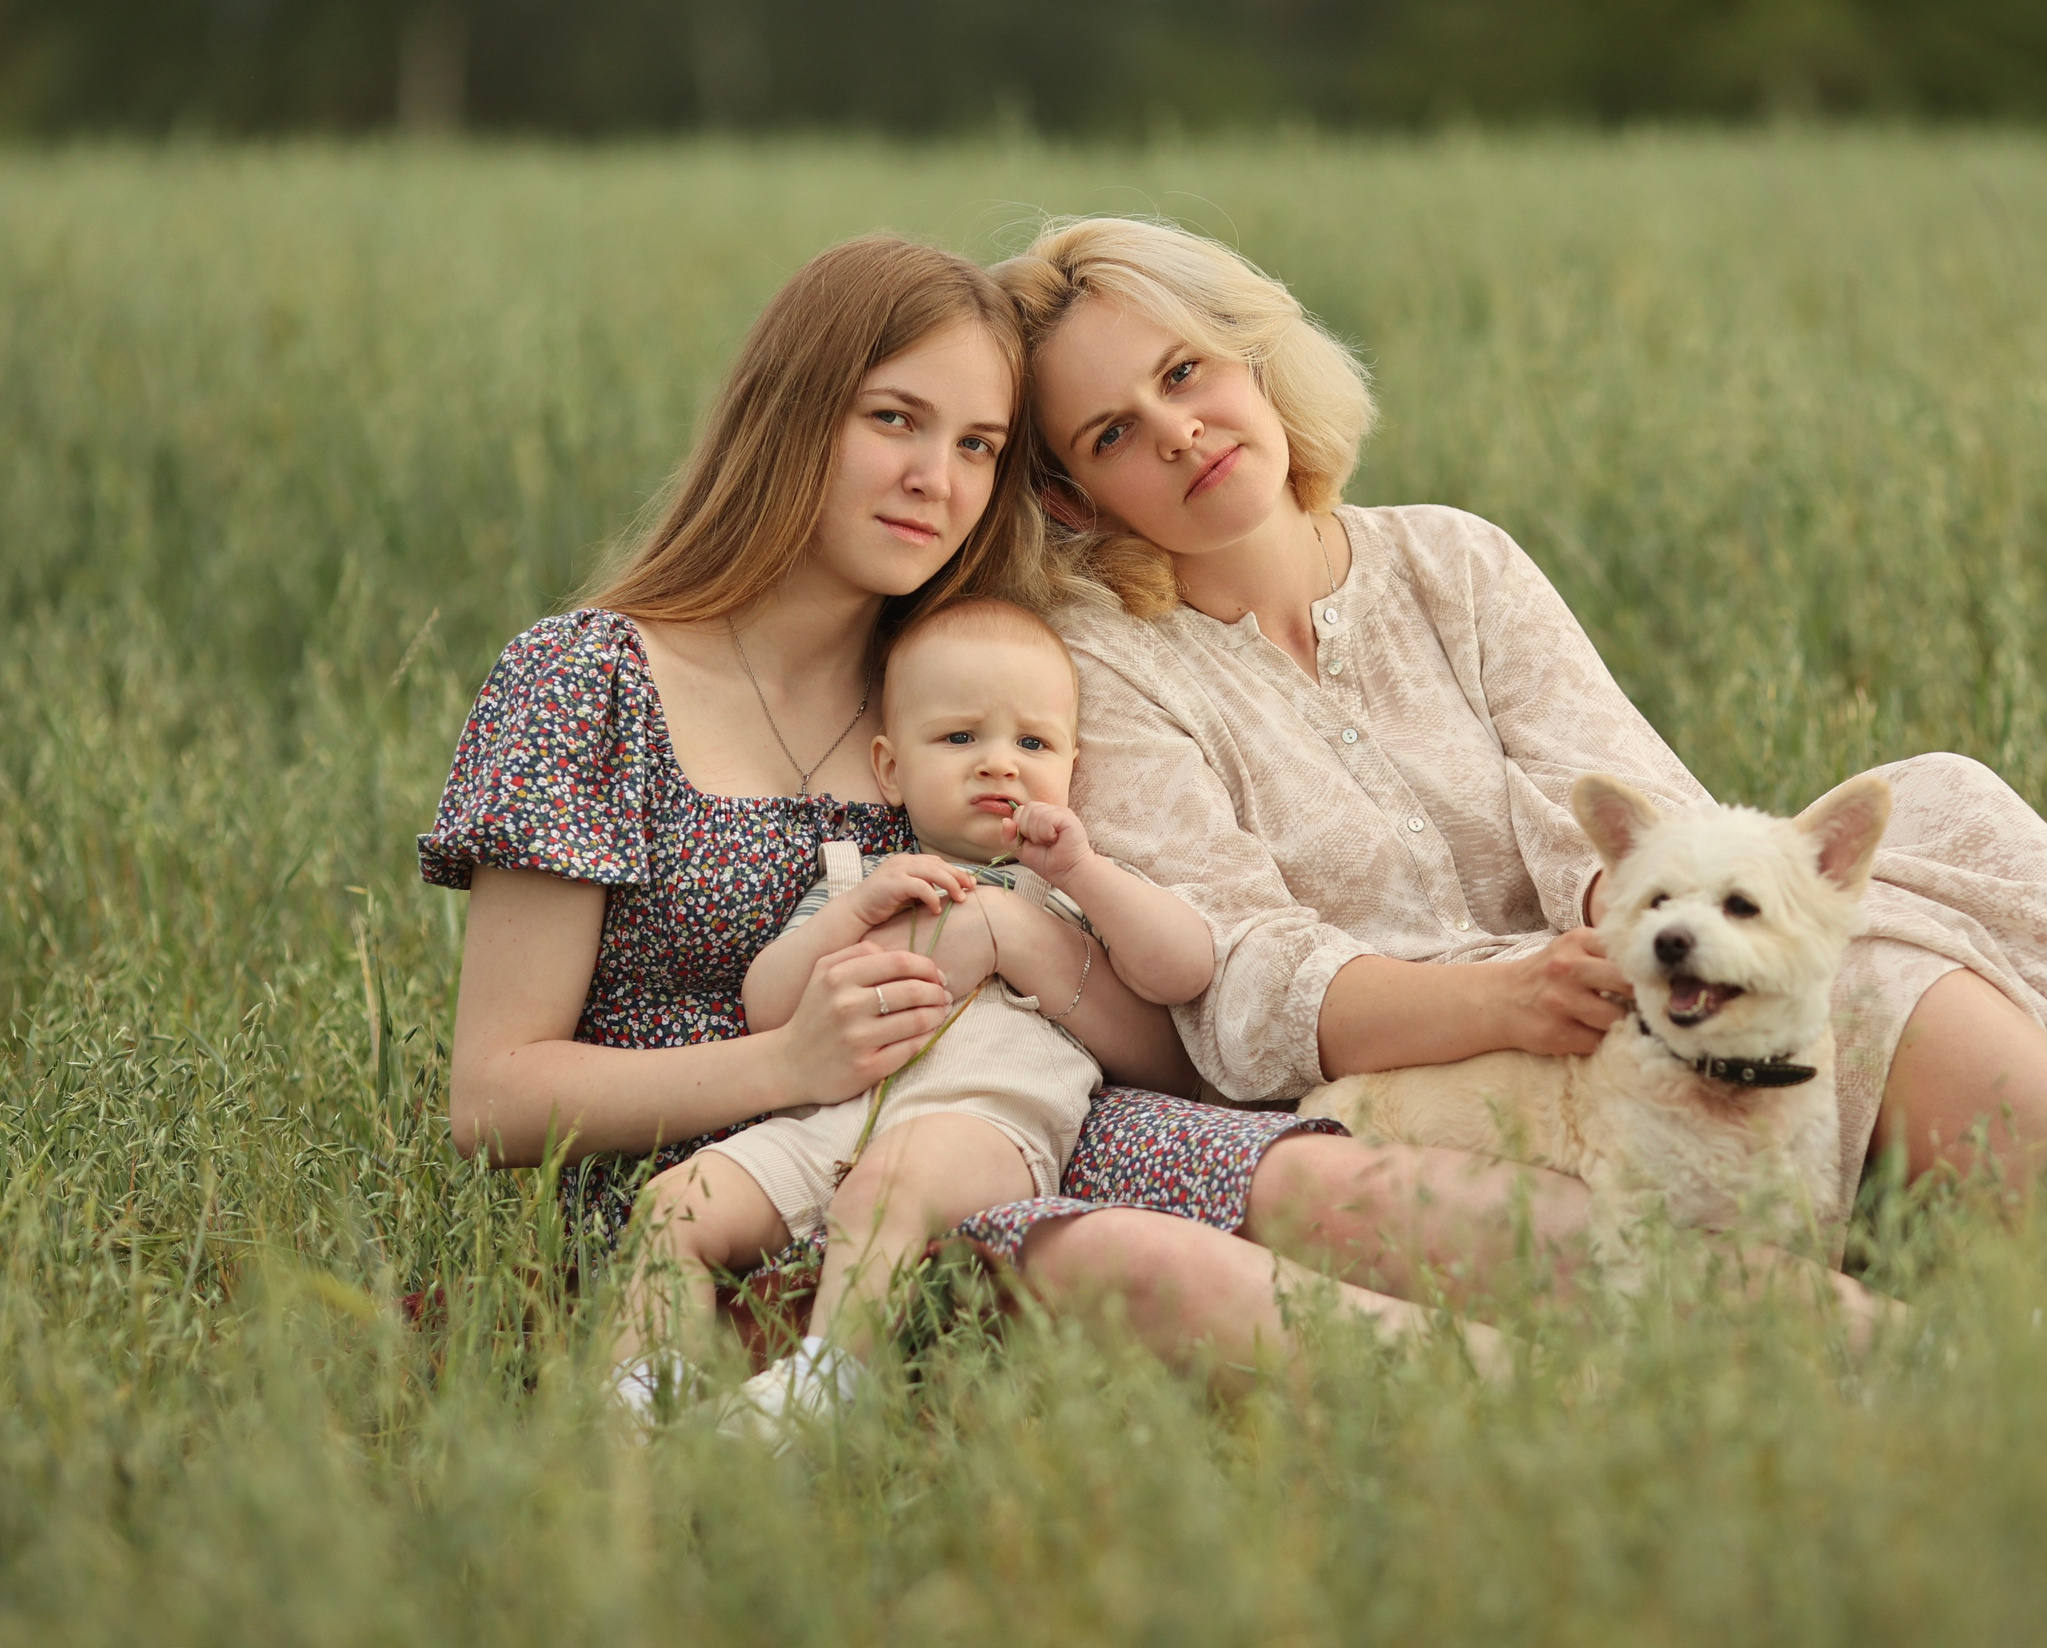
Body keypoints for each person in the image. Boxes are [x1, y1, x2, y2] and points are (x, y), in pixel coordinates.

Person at [976, 215, 2047, 1288]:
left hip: (1642, 978)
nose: (1180, 430)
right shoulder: (1110, 669)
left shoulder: (1454, 557)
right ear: (1070, 496)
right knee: (1874, 967)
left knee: (1937, 812)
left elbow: (1617, 803)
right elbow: (1241, 973)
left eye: (1187, 371)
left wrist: (1636, 918)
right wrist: (1494, 1002)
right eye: (1114, 434)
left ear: (1255, 357)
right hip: (1446, 1068)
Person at [423, 234, 1523, 1417]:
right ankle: (1570, 1408)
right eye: (893, 419)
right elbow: (493, 1097)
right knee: (1147, 1262)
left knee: (1346, 1189)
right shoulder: (590, 677)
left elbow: (1171, 1052)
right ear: (788, 413)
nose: (933, 479)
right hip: (726, 1190)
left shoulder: (974, 694)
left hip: (1014, 1117)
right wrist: (784, 1062)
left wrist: (1024, 943)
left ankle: (1722, 1322)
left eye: (978, 446)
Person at [607, 596, 1220, 1429]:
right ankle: (640, 1401)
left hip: (982, 1124)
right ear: (890, 768)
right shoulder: (861, 877)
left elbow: (1183, 968)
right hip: (823, 1125)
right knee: (673, 1205)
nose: (999, 765)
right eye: (960, 738)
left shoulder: (1071, 884)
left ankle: (823, 1392)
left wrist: (1083, 873)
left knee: (888, 1191)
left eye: (1032, 743)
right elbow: (766, 1006)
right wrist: (849, 917)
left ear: (1074, 765)